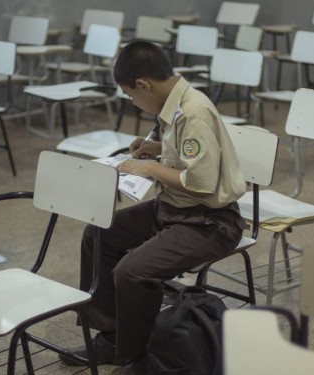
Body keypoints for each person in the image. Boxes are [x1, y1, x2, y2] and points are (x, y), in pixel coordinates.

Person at [65, 40, 247, 372]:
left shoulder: (193, 111)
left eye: (131, 96)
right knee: (99, 232)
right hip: (175, 208)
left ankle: (138, 357)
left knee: (133, 271)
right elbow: (188, 158)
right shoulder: (174, 105)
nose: (133, 103)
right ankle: (114, 334)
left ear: (144, 85)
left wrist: (149, 168)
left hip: (209, 222)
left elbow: (202, 182)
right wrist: (155, 150)